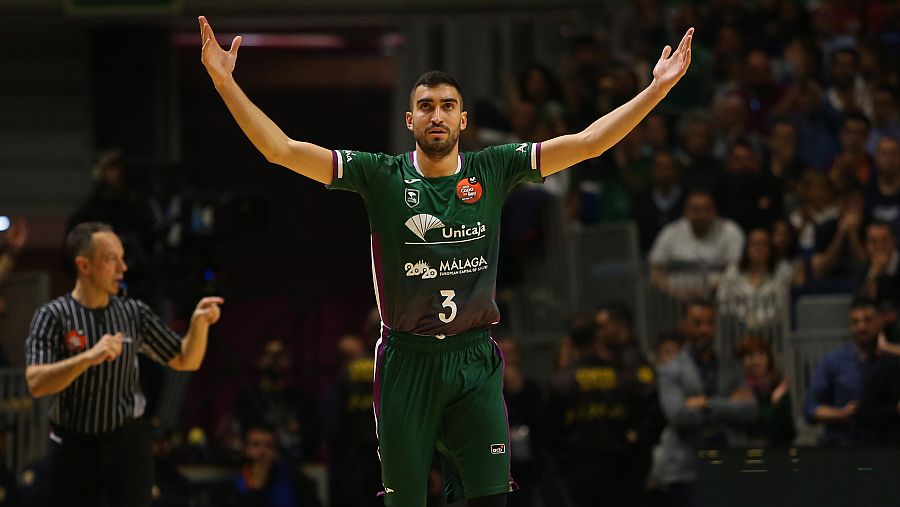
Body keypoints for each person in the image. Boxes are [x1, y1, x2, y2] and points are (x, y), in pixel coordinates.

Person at [199, 14, 694, 507]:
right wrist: (225, 82)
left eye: (447, 106)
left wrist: (655, 90)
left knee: (489, 498)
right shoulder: (380, 175)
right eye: (426, 106)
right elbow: (280, 150)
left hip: (473, 358)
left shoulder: (493, 167)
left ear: (463, 120)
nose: (437, 114)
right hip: (406, 363)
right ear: (409, 119)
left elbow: (588, 144)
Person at [24, 222, 223, 507]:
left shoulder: (134, 313)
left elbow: (185, 359)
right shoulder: (52, 316)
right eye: (111, 259)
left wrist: (199, 324)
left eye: (122, 257)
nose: (123, 268)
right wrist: (88, 357)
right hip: (73, 448)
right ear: (84, 265)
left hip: (128, 445)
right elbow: (36, 383)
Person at [655, 301, 757, 507]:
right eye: (698, 323)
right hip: (686, 469)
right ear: (685, 326)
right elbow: (678, 416)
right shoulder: (671, 371)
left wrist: (709, 404)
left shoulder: (732, 368)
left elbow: (750, 411)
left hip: (728, 463)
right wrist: (729, 405)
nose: (705, 329)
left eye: (710, 323)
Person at [804, 297, 881, 447]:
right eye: (855, 322)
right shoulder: (833, 361)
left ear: (879, 322)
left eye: (867, 320)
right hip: (843, 446)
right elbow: (810, 407)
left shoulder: (891, 359)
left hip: (886, 447)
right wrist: (841, 414)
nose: (861, 327)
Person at [734, 335, 795, 447]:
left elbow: (790, 431)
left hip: (778, 451)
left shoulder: (777, 385)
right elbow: (753, 425)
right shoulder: (737, 388)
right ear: (741, 360)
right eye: (750, 355)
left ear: (768, 358)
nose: (756, 360)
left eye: (761, 354)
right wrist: (773, 403)